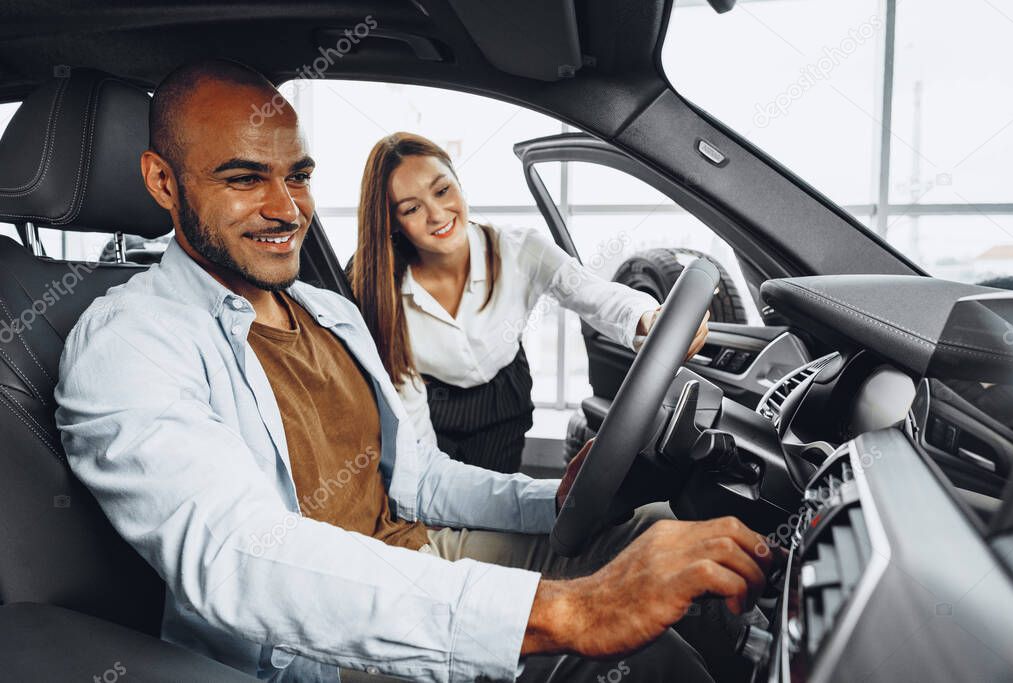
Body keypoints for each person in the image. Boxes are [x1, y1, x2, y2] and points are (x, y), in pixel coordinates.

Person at [54, 59, 772, 683]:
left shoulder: (326, 312)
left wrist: (553, 501)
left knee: (659, 536)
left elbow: (420, 479)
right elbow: (238, 556)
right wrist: (569, 609)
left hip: (419, 548)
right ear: (161, 181)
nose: (285, 208)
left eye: (297, 176)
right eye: (245, 179)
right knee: (640, 664)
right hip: (317, 650)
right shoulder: (130, 342)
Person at [351, 133, 710, 473]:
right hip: (433, 403)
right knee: (443, 506)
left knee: (495, 506)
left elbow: (595, 296)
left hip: (503, 398)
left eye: (442, 190)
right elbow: (413, 431)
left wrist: (649, 317)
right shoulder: (385, 291)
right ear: (392, 222)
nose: (437, 214)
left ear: (458, 182)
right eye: (412, 209)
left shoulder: (520, 249)